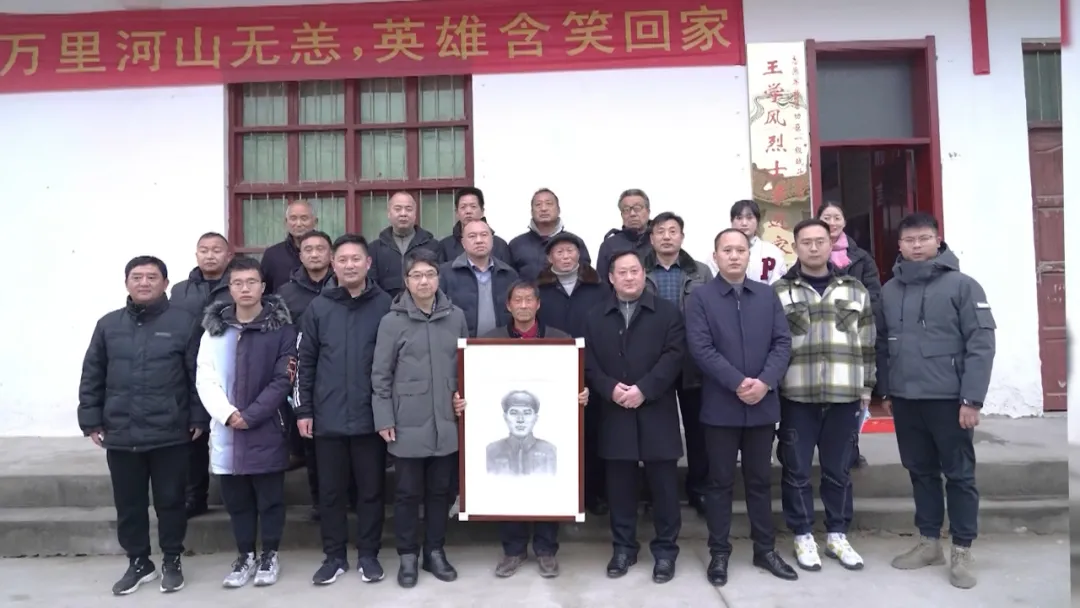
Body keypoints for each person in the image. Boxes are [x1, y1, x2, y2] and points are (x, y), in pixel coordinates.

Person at [77, 255, 207, 596]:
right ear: (127, 283)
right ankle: (139, 562)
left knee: (171, 501)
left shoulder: (185, 322)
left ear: (166, 283)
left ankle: (172, 560)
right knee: (129, 504)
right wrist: (90, 419)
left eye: (152, 277)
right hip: (121, 432)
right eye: (137, 277)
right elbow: (92, 374)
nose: (144, 282)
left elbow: (197, 375)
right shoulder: (108, 325)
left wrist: (198, 417)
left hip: (170, 431)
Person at [880, 212, 996, 590]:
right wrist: (886, 390)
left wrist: (972, 399)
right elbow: (883, 344)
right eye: (909, 240)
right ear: (900, 245)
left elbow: (981, 344)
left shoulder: (963, 286)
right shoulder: (889, 290)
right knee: (920, 471)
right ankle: (929, 542)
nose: (917, 246)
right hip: (906, 399)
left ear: (937, 240)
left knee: (959, 475)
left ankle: (962, 549)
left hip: (949, 400)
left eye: (924, 238)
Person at [684, 228, 796, 587]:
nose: (734, 256)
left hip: (762, 404)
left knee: (760, 481)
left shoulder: (766, 295)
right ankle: (719, 552)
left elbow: (782, 343)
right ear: (715, 256)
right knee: (719, 483)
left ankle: (765, 549)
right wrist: (737, 382)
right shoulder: (701, 298)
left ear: (749, 255)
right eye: (727, 250)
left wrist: (764, 382)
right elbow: (701, 348)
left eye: (740, 250)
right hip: (721, 407)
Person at [772, 219, 876, 572]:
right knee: (796, 470)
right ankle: (802, 534)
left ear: (831, 244)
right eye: (806, 242)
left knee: (838, 471)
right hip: (796, 395)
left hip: (844, 396)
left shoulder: (855, 290)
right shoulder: (779, 292)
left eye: (820, 241)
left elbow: (868, 343)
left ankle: (837, 534)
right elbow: (772, 345)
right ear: (795, 246)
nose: (814, 247)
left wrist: (866, 390)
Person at [294, 234, 393, 586]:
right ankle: (334, 556)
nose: (350, 265)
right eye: (343, 260)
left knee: (371, 491)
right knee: (331, 493)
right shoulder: (318, 308)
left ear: (368, 263)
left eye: (356, 259)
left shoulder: (386, 305)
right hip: (327, 418)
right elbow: (304, 362)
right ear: (333, 265)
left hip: (371, 418)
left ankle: (369, 555)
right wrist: (303, 410)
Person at [584, 250, 685, 584]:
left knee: (664, 488)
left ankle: (666, 551)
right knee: (620, 487)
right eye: (622, 272)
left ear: (644, 274)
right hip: (614, 411)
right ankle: (624, 548)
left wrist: (644, 389)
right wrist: (609, 388)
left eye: (635, 271)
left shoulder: (667, 313)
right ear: (611, 278)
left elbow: (674, 357)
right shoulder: (596, 316)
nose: (629, 277)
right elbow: (588, 363)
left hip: (656, 408)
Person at [195, 256, 297, 588]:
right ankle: (245, 556)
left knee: (270, 500)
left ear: (263, 287)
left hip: (267, 427)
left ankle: (269, 555)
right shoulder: (215, 330)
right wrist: (227, 414)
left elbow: (284, 379)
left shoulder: (281, 329)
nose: (245, 289)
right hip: (226, 430)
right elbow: (205, 378)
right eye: (238, 283)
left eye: (252, 282)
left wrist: (250, 416)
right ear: (229, 288)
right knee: (237, 501)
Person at [371, 249, 470, 588]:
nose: (424, 281)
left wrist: (463, 397)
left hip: (447, 420)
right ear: (406, 281)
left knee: (440, 492)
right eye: (417, 276)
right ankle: (408, 555)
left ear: (438, 278)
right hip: (406, 421)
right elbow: (380, 375)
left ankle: (435, 552)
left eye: (430, 274)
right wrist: (384, 418)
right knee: (407, 494)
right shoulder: (392, 321)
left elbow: (465, 366)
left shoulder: (456, 316)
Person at [480, 279, 589, 579]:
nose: (524, 305)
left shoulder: (560, 340)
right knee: (507, 487)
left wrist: (581, 392)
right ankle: (513, 550)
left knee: (547, 484)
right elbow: (481, 383)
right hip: (502, 435)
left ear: (538, 304)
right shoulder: (490, 341)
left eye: (530, 299)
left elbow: (571, 380)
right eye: (518, 300)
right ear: (508, 305)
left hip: (549, 430)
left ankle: (546, 549)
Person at [642, 211, 713, 516]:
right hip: (652, 360)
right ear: (651, 238)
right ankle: (656, 492)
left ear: (682, 237)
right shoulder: (638, 270)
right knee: (656, 430)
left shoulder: (701, 272)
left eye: (673, 231)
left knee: (698, 428)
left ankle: (699, 488)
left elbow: (713, 313)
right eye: (660, 231)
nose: (667, 237)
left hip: (693, 360)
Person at [535, 231, 610, 516]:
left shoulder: (599, 287)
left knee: (592, 433)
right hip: (550, 372)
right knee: (554, 433)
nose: (565, 256)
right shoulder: (538, 289)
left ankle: (593, 492)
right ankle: (558, 491)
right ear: (549, 257)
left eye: (570, 251)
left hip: (592, 369)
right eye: (559, 252)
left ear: (579, 254)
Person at [275, 229, 341, 520]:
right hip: (303, 374)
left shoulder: (343, 286)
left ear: (331, 255)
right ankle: (319, 501)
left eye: (320, 249)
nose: (315, 254)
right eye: (308, 249)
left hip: (340, 371)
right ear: (300, 256)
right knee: (313, 443)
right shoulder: (286, 294)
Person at [169, 231, 234, 518]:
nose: (210, 255)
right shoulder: (180, 291)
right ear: (196, 254)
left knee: (230, 429)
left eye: (216, 250)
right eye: (204, 250)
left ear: (228, 255)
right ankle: (194, 496)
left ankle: (237, 497)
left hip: (229, 366)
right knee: (193, 436)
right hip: (187, 369)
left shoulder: (237, 284)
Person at [817, 201, 883, 469]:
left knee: (850, 397)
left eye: (836, 217)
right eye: (826, 217)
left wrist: (858, 318)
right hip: (820, 335)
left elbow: (874, 294)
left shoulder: (861, 257)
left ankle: (850, 448)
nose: (832, 223)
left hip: (852, 333)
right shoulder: (811, 254)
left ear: (844, 222)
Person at [438, 218, 519, 337]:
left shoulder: (508, 274)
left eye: (484, 235)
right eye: (472, 236)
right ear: (463, 243)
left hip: (501, 343)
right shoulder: (445, 274)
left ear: (492, 240)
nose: (479, 240)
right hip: (460, 343)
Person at [508, 188, 592, 281]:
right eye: (538, 205)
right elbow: (508, 280)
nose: (543, 209)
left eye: (549, 204)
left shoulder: (575, 242)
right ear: (531, 212)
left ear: (558, 210)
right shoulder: (516, 244)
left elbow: (587, 277)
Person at [368, 192, 440, 298]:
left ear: (415, 214)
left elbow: (439, 282)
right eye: (397, 209)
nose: (403, 213)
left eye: (408, 209)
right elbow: (371, 284)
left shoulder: (432, 246)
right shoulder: (374, 249)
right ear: (389, 213)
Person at [709, 200, 789, 285]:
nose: (744, 223)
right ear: (731, 221)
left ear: (758, 221)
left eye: (749, 218)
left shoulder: (772, 252)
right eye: (739, 218)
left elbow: (778, 285)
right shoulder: (718, 254)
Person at [437, 187, 513, 264]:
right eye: (463, 207)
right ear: (457, 213)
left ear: (482, 211)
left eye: (473, 206)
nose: (468, 211)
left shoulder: (499, 245)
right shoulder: (445, 246)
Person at [260, 200, 318, 293]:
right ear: (286, 222)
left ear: (315, 221)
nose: (298, 224)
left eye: (304, 218)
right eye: (293, 218)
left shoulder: (326, 253)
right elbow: (264, 293)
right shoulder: (272, 255)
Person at [596, 189, 653, 283]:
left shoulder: (659, 240)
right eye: (626, 210)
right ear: (622, 215)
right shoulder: (609, 245)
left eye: (637, 208)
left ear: (648, 211)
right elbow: (602, 284)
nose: (632, 214)